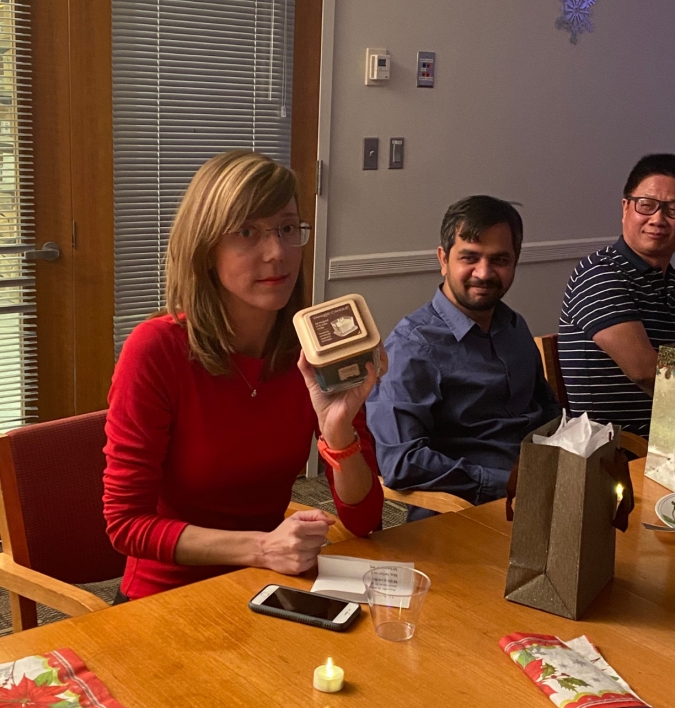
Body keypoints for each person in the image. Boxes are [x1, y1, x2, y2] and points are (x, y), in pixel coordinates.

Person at [103, 150, 384, 600]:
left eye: (287, 229)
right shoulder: (156, 350)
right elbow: (126, 525)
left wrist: (339, 432)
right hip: (165, 599)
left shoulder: (313, 349)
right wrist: (262, 548)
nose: (277, 253)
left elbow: (364, 520)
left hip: (267, 586)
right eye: (248, 232)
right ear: (205, 248)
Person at [366, 195, 560, 520]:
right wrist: (506, 483)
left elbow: (547, 412)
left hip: (544, 494)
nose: (484, 273)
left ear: (515, 261)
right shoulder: (412, 347)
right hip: (466, 513)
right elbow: (400, 462)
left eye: (499, 259)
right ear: (443, 260)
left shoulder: (514, 326)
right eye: (469, 257)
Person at [558, 154, 675, 437]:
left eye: (673, 210)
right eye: (646, 205)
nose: (658, 219)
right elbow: (646, 372)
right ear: (625, 208)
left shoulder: (669, 281)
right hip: (619, 450)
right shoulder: (600, 274)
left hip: (665, 439)